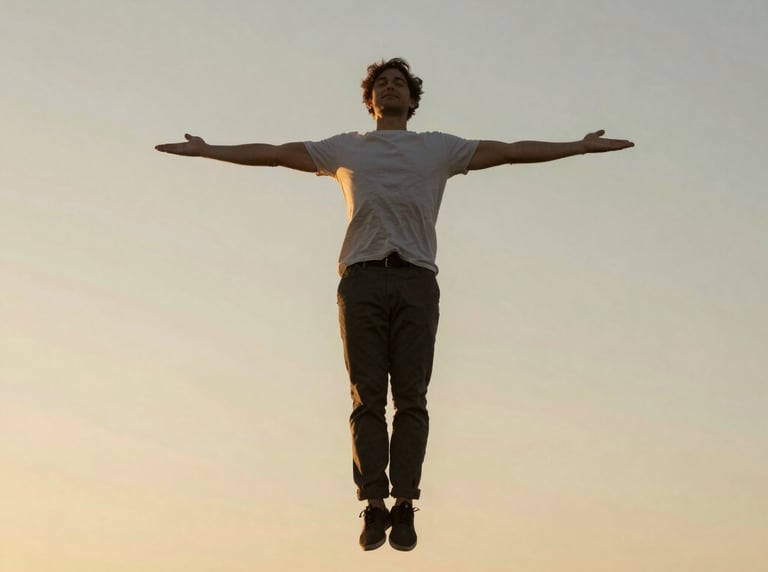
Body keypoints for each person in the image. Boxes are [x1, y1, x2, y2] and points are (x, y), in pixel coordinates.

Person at [155, 57, 634, 552]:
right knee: (366, 397)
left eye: (397, 84)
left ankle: (405, 504)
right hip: (360, 280)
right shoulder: (344, 149)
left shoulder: (438, 148)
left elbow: (510, 151)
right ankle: (374, 503)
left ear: (411, 98)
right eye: (380, 84)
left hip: (416, 281)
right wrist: (208, 151)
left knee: (412, 397)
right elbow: (275, 153)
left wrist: (578, 147)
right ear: (370, 101)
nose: (388, 89)